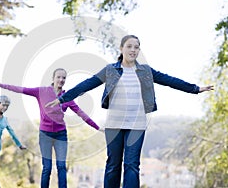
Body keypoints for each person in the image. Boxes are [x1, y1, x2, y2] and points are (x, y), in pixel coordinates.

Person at [45, 35, 214, 188]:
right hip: (114, 124)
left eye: (137, 47)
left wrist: (195, 89)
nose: (133, 50)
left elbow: (170, 80)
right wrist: (61, 99)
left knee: (132, 165)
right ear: (121, 48)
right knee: (113, 165)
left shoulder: (145, 71)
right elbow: (87, 84)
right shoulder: (110, 70)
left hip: (137, 123)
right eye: (130, 46)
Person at [0, 68, 100, 188]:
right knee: (47, 167)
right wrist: (1, 85)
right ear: (53, 78)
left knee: (61, 166)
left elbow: (81, 113)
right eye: (58, 77)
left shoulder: (67, 96)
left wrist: (97, 127)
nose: (61, 80)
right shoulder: (41, 91)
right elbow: (22, 89)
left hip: (61, 135)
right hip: (45, 135)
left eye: (64, 78)